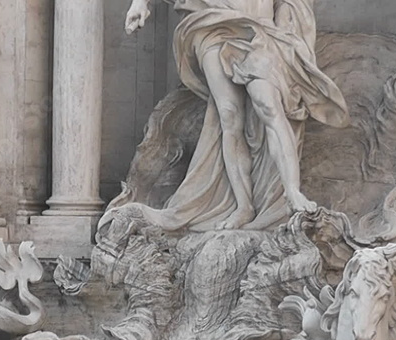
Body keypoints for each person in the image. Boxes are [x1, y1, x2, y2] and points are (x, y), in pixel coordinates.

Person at [122, 0, 349, 231]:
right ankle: (243, 206)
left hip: (260, 29)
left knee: (268, 105)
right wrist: (139, 3)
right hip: (211, 24)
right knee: (229, 115)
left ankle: (292, 191)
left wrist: (287, 27)